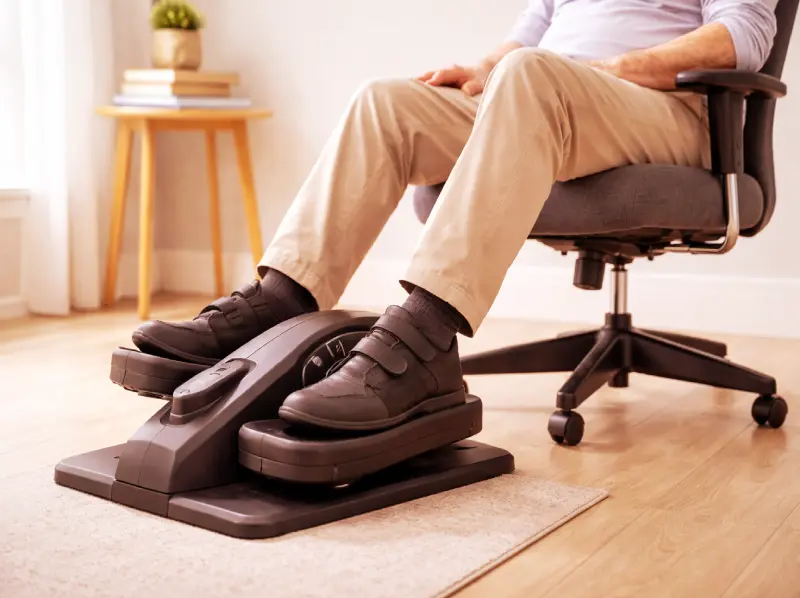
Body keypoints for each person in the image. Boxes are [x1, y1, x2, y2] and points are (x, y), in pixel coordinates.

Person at [133, 0, 778, 432]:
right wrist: (477, 70)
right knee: (388, 103)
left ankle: (422, 340)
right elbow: (527, 39)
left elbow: (742, 36)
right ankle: (281, 299)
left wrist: (604, 71)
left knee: (532, 76)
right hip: (554, 94)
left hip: (664, 110)